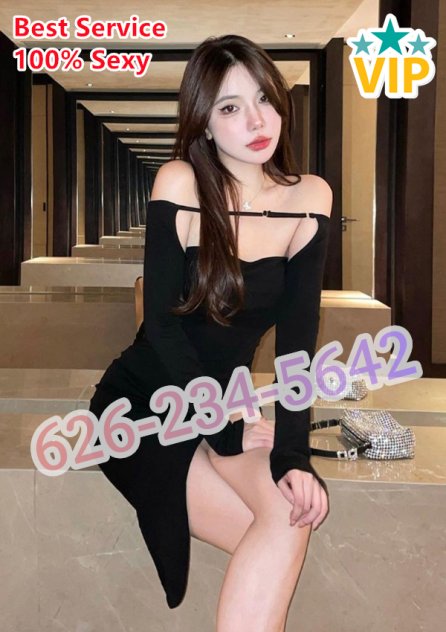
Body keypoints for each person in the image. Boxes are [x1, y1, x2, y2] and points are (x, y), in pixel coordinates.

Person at [89, 33, 332, 631]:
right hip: (145, 404)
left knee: (287, 510)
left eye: (264, 99)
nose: (256, 121)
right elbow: (162, 329)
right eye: (230, 107)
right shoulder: (179, 182)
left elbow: (298, 345)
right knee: (282, 527)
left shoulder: (310, 197)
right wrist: (224, 422)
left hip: (226, 404)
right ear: (204, 121)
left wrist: (293, 454)